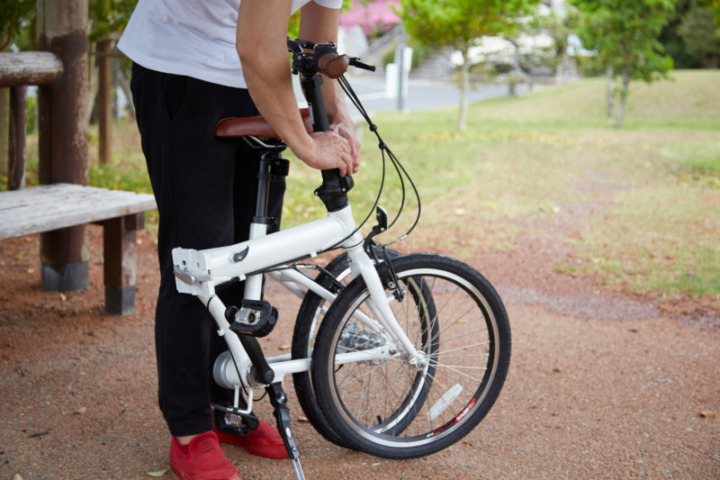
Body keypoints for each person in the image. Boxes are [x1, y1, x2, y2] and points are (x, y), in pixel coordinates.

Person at [118, 1, 361, 479]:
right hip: (182, 67)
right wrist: (307, 144)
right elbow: (254, 46)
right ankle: (190, 428)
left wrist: (338, 117)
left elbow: (318, 42)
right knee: (198, 257)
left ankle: (226, 406)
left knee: (248, 251)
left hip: (257, 79)